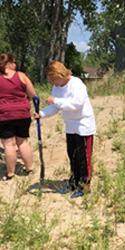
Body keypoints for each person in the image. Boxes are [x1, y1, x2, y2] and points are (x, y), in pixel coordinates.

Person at [35, 61, 96, 197]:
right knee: (72, 155)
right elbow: (55, 107)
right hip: (70, 125)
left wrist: (56, 100)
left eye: (54, 79)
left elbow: (77, 104)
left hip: (83, 125)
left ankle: (84, 184)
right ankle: (73, 182)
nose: (53, 82)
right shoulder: (57, 88)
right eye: (51, 80)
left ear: (60, 74)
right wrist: (42, 113)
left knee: (83, 157)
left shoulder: (76, 84)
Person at [0, 53, 36, 181]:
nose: (15, 65)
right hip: (23, 114)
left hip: (3, 115)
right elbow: (32, 95)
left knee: (9, 145)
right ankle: (29, 169)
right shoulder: (22, 76)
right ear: (9, 63)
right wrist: (22, 103)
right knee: (23, 142)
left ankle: (10, 174)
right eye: (14, 62)